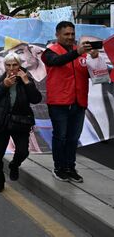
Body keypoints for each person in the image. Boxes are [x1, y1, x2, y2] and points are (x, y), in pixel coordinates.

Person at [41, 21, 98, 183]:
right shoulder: (49, 52)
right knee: (60, 136)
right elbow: (57, 61)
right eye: (66, 34)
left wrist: (95, 59)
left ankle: (70, 167)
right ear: (57, 35)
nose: (70, 37)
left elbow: (91, 73)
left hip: (79, 102)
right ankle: (59, 168)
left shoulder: (82, 54)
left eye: (72, 34)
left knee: (73, 138)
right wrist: (78, 52)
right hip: (59, 103)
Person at [0, 53, 42, 193]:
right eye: (8, 65)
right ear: (5, 66)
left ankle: (14, 165)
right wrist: (3, 86)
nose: (12, 68)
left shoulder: (26, 79)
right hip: (0, 123)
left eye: (15, 65)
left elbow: (36, 99)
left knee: (23, 151)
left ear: (19, 65)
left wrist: (27, 82)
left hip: (20, 122)